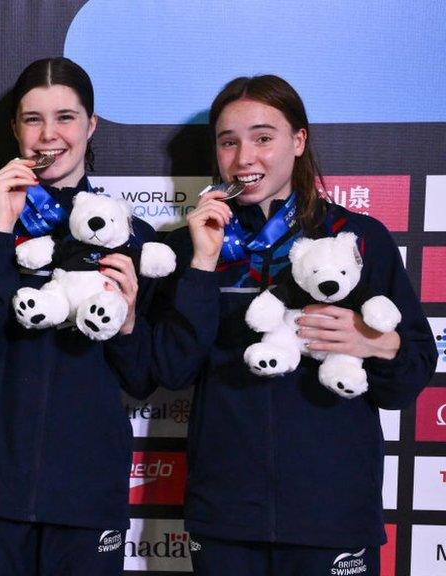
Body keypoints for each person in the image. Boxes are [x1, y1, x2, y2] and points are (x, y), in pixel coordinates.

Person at [150, 74, 436, 575]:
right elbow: (170, 370)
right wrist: (200, 265)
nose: (245, 158)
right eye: (228, 141)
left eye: (263, 138)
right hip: (226, 514)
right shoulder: (189, 247)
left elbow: (412, 368)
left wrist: (376, 343)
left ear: (298, 141)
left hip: (333, 513)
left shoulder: (357, 239)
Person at [0, 57, 156, 576]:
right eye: (32, 119)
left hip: (86, 496)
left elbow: (145, 376)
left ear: (91, 125)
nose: (47, 136)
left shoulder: (128, 234)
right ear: (15, 127)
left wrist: (126, 325)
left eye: (65, 117)